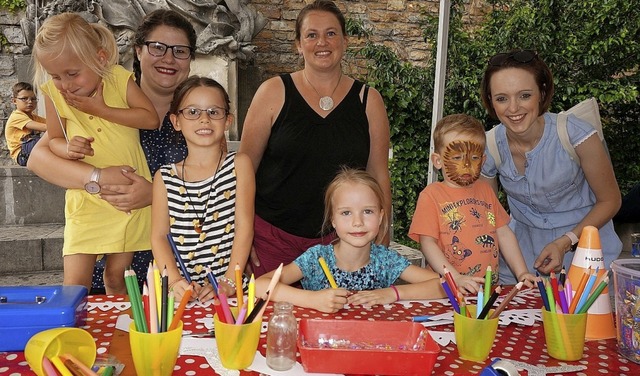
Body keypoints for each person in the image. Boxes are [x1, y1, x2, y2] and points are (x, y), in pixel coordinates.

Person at [27, 9, 196, 292]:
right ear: (138, 51)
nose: (168, 58)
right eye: (157, 47)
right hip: (99, 247)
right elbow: (39, 158)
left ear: (191, 59)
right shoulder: (79, 98)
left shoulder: (200, 118)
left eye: (180, 50)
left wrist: (155, 194)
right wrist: (97, 178)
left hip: (169, 268)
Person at [239, 0, 391, 277]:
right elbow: (244, 166)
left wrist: (383, 229)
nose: (322, 42)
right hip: (272, 240)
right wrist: (241, 234)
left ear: (345, 41)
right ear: (298, 44)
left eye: (331, 33)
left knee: (339, 316)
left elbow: (378, 173)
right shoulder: (272, 92)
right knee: (271, 317)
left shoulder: (369, 100)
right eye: (311, 34)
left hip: (342, 243)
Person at [479, 49, 622, 284]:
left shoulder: (576, 134)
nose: (513, 108)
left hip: (585, 258)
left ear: (541, 93)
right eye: (502, 98)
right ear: (491, 101)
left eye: (524, 95)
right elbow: (487, 217)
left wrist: (565, 241)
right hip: (519, 267)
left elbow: (610, 200)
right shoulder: (490, 146)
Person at [255, 168, 444, 313]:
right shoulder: (316, 258)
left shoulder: (386, 260)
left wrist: (393, 293)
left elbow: (445, 286)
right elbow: (259, 285)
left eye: (367, 211)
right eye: (346, 213)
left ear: (380, 217)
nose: (357, 222)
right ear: (333, 220)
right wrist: (311, 300)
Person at [151, 76, 254, 303]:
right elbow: (159, 236)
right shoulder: (165, 177)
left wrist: (228, 281)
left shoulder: (239, 165)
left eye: (214, 112)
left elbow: (244, 228)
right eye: (193, 112)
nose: (204, 119)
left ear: (228, 121)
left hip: (227, 290)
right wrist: (176, 281)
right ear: (176, 121)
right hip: (180, 293)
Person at [408, 114, 536, 294]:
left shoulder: (486, 191)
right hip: (448, 292)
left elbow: (504, 234)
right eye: (457, 157)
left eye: (474, 158)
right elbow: (427, 243)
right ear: (437, 161)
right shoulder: (431, 196)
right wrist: (455, 278)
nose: (467, 164)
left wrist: (522, 272)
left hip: (489, 291)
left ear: (483, 161)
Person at [4, 82, 46, 166]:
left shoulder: (34, 117)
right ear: (14, 101)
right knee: (45, 138)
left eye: (33, 99)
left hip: (32, 151)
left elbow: (52, 123)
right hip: (22, 155)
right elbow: (46, 127)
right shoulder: (16, 116)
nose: (30, 102)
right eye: (24, 98)